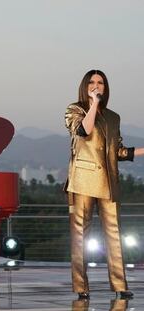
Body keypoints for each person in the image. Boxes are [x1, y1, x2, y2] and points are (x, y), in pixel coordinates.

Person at [64, 70, 144, 300]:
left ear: (106, 87)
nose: (96, 85)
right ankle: (81, 287)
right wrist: (93, 104)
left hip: (109, 182)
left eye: (100, 83)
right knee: (79, 236)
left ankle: (120, 286)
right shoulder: (74, 109)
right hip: (82, 181)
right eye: (92, 82)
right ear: (85, 86)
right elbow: (83, 130)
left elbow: (117, 152)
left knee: (115, 235)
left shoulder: (113, 117)